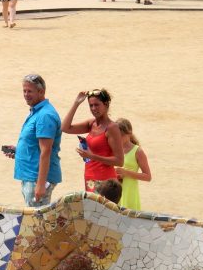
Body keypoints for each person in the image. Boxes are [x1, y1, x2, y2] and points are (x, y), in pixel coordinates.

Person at [8, 74, 62, 207]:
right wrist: (18, 151)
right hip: (31, 176)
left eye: (29, 91)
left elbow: (46, 151)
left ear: (41, 92)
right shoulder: (37, 112)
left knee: (37, 223)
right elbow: (37, 145)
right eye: (24, 91)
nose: (26, 94)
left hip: (36, 178)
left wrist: (40, 184)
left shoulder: (45, 115)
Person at [61, 89, 124, 192]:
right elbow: (65, 128)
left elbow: (119, 161)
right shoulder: (91, 124)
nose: (93, 108)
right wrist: (76, 103)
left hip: (105, 182)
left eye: (97, 105)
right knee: (90, 208)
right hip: (89, 178)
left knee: (100, 208)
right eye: (91, 105)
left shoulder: (112, 128)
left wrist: (92, 156)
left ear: (106, 104)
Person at [114, 118, 152, 211]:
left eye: (121, 135)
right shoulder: (113, 148)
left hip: (130, 193)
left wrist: (126, 172)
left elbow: (148, 177)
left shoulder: (137, 151)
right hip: (114, 191)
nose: (118, 138)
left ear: (129, 134)